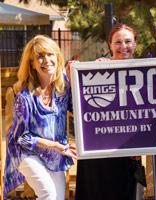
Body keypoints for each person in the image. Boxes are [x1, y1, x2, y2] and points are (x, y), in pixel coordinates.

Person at [4, 35, 77, 200]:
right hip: (25, 152)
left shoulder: (63, 87)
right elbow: (21, 137)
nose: (46, 60)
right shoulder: (25, 96)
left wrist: (77, 76)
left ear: (57, 57)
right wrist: (54, 145)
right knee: (48, 194)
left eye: (50, 54)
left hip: (54, 153)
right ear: (32, 64)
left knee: (57, 198)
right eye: (40, 57)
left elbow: (79, 108)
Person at [75, 23, 139, 200]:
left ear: (135, 44)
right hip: (97, 148)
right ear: (110, 44)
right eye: (118, 42)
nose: (123, 46)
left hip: (127, 148)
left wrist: (143, 142)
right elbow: (79, 104)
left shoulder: (144, 70)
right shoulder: (96, 69)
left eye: (128, 41)